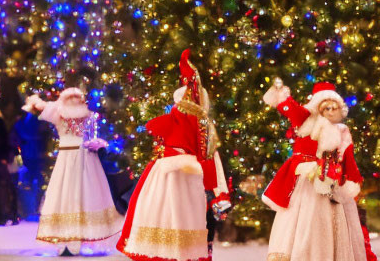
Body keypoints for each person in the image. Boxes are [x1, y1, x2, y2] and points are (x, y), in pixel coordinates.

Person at [117, 50, 230, 261]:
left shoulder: (196, 123)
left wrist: (218, 191)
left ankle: (172, 252)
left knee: (173, 214)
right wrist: (218, 191)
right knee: (174, 214)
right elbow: (209, 157)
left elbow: (208, 155)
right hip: (178, 174)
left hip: (176, 174)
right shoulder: (196, 122)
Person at [262, 79, 370, 261]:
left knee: (330, 222)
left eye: (333, 108)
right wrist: (281, 95)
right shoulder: (306, 123)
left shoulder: (342, 131)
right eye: (325, 108)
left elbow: (348, 158)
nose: (329, 112)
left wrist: (351, 180)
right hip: (307, 183)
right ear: (317, 107)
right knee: (304, 223)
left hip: (333, 182)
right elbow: (291, 109)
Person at [24, 86, 122, 249]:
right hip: (73, 159)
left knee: (80, 194)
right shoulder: (61, 114)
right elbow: (39, 106)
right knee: (73, 193)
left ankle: (76, 237)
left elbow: (39, 105)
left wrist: (36, 100)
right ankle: (70, 238)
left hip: (83, 158)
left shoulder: (71, 114)